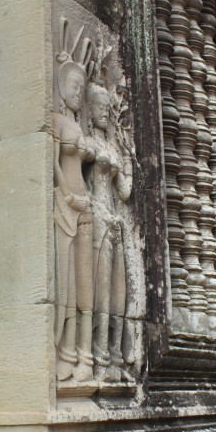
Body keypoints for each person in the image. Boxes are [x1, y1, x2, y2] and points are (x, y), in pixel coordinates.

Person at [53, 18, 95, 382]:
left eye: (82, 87)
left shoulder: (79, 127)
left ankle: (87, 354)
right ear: (60, 86)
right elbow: (52, 163)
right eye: (73, 86)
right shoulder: (54, 121)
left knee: (86, 283)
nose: (78, 92)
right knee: (65, 280)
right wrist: (67, 196)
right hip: (65, 205)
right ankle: (65, 350)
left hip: (85, 206)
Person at [85, 79, 132, 382]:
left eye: (106, 107)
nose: (104, 112)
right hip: (97, 220)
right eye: (99, 107)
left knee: (118, 291)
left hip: (116, 222)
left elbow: (124, 192)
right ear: (89, 110)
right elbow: (78, 185)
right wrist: (98, 211)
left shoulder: (112, 147)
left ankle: (115, 353)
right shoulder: (87, 144)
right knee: (101, 291)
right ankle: (99, 355)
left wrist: (126, 156)